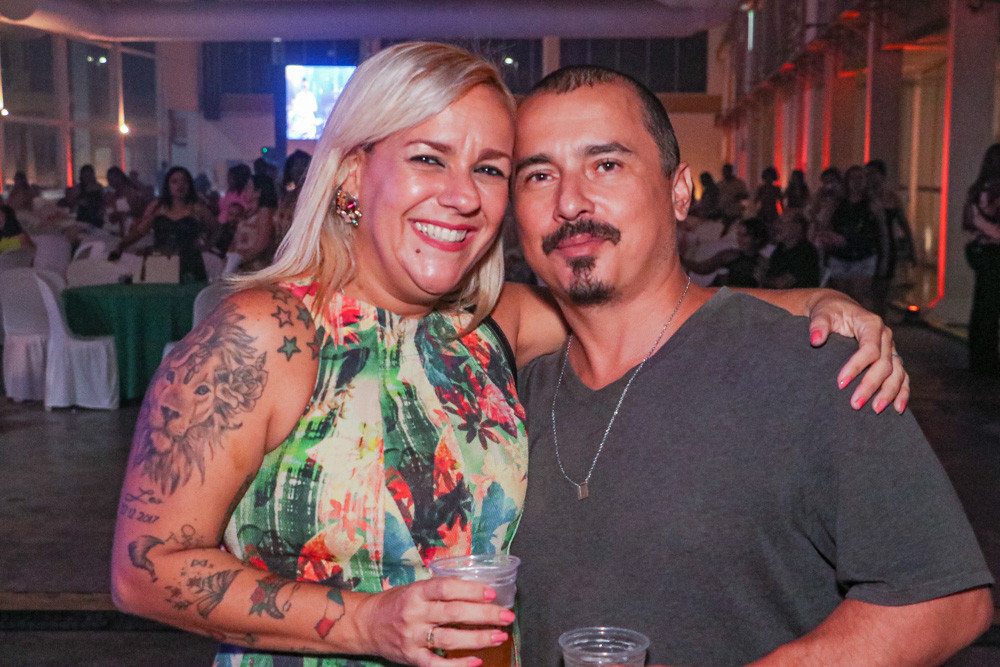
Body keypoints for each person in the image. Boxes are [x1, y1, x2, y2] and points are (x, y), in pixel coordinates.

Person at [111, 43, 907, 667]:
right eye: (429, 157)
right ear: (353, 175)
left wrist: (818, 306)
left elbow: (658, 312)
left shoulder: (485, 326)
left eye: (489, 168)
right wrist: (365, 622)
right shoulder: (265, 333)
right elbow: (144, 569)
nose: (463, 195)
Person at [508, 66, 992, 665]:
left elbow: (945, 598)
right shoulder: (503, 397)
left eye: (606, 165)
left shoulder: (813, 365)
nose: (569, 202)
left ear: (679, 192)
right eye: (539, 175)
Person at [110, 166, 214, 284]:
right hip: (162, 262)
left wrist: (206, 246)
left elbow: (216, 229)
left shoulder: (197, 208)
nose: (180, 185)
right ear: (167, 186)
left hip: (190, 265)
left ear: (189, 184)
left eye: (184, 181)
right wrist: (121, 245)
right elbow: (140, 231)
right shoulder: (158, 207)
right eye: (174, 181)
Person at [822, 165, 885, 311]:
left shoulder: (872, 205)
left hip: (863, 255)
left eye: (860, 178)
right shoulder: (837, 204)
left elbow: (882, 233)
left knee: (859, 296)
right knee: (842, 296)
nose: (856, 182)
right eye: (853, 178)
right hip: (840, 255)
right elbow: (824, 225)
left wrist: (884, 259)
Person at [963, 143, 1000, 376]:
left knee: (983, 306)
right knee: (989, 307)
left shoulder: (977, 190)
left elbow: (971, 222)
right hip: (993, 253)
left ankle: (980, 358)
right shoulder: (993, 191)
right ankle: (987, 359)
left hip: (981, 251)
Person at [681, 217, 767, 287]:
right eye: (739, 234)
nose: (739, 239)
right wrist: (680, 260)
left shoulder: (763, 262)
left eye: (744, 235)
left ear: (757, 239)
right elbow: (702, 268)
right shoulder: (730, 255)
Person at [229, 172, 280, 272]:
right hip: (243, 264)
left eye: (248, 187)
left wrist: (242, 260)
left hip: (256, 266)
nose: (244, 191)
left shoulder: (265, 213)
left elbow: (262, 243)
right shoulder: (249, 212)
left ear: (258, 192)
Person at [763, 211, 821, 289]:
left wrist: (763, 279)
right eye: (777, 222)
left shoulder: (806, 252)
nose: (776, 226)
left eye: (782, 223)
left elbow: (782, 284)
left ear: (797, 227)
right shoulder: (780, 249)